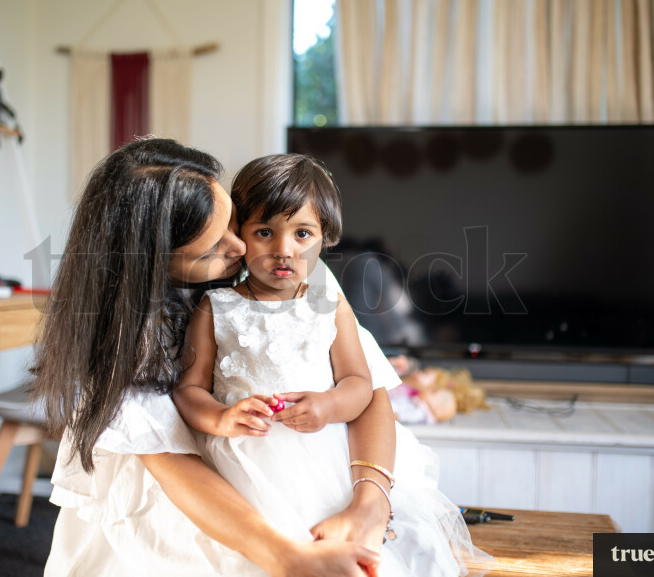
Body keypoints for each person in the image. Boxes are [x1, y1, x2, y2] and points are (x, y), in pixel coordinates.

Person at [33, 138, 404, 577]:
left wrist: (370, 502)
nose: (241, 247)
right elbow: (172, 460)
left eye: (231, 222)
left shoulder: (298, 280)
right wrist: (291, 557)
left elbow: (368, 385)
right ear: (154, 263)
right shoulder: (136, 338)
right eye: (212, 248)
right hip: (189, 498)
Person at [173, 154, 488, 575]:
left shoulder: (330, 304)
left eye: (302, 233)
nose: (283, 250)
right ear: (240, 233)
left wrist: (327, 406)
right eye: (264, 232)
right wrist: (220, 417)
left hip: (323, 460)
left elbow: (359, 383)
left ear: (325, 237)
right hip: (241, 465)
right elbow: (188, 390)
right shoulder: (216, 307)